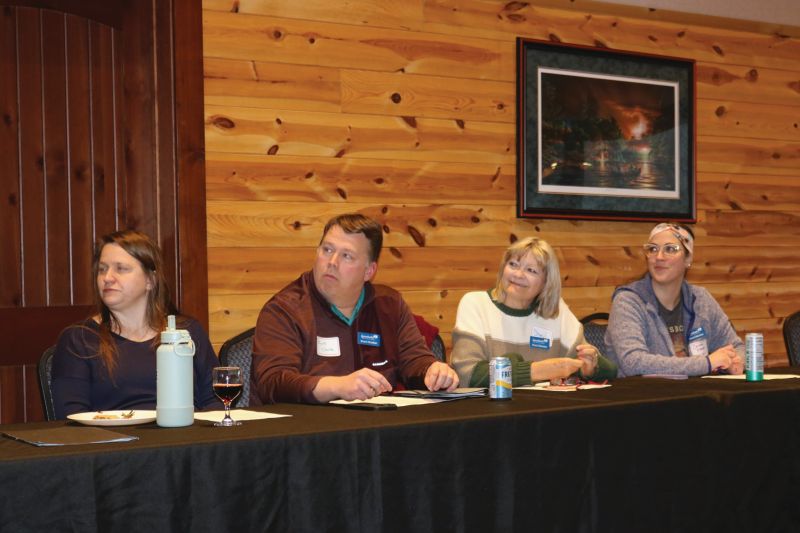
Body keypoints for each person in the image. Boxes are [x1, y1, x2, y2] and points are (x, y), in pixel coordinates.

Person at [250, 214, 459, 404]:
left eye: (346, 256)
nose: (331, 262)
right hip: (301, 434)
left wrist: (432, 370)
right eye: (327, 250)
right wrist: (338, 387)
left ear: (369, 271)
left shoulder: (389, 305)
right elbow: (274, 383)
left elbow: (414, 360)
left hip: (374, 430)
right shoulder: (284, 310)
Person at [52, 230, 221, 418]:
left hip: (185, 441)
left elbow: (215, 400)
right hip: (117, 443)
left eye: (121, 268)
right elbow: (71, 417)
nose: (107, 277)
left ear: (150, 280)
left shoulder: (187, 332)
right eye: (102, 269)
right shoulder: (79, 339)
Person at [451, 237, 617, 387]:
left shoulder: (556, 312)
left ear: (546, 282)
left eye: (531, 270)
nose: (518, 274)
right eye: (513, 264)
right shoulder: (476, 304)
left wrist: (591, 367)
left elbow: (609, 371)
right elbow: (467, 375)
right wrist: (538, 371)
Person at [605, 223, 744, 377]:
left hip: (696, 396)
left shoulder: (700, 299)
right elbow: (634, 362)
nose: (659, 257)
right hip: (643, 397)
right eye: (653, 249)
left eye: (670, 249)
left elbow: (737, 347)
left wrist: (736, 361)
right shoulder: (628, 301)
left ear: (688, 259)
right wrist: (707, 363)